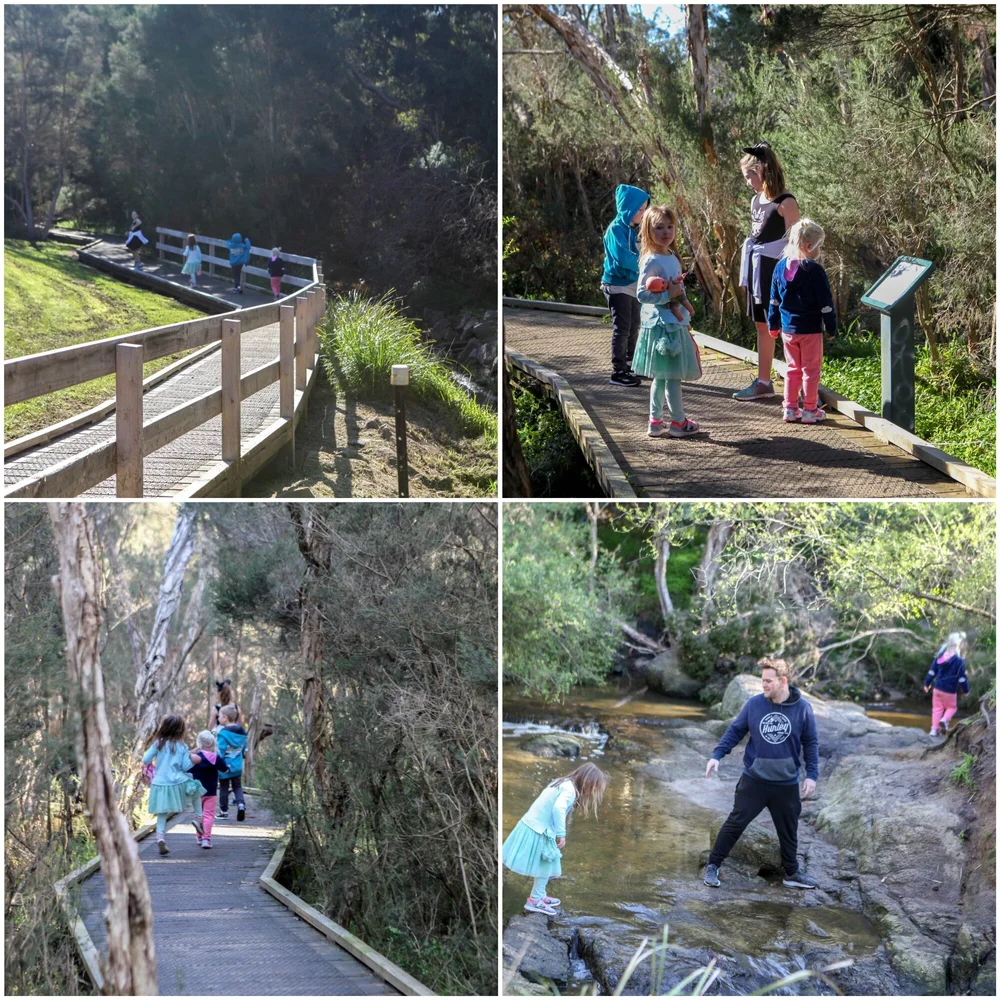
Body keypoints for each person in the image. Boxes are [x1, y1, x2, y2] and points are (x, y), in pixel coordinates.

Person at [703, 659, 818, 890]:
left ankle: (792, 873)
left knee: (789, 831)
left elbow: (811, 742)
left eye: (768, 681)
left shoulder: (803, 709)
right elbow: (735, 731)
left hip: (786, 784)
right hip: (755, 780)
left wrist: (811, 775)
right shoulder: (755, 704)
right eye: (762, 680)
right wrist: (717, 755)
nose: (763, 685)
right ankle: (713, 865)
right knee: (735, 823)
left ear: (782, 681)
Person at [734, 142, 799, 401]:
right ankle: (764, 381)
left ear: (762, 170)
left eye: (750, 175)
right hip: (757, 271)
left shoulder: (786, 202)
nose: (748, 181)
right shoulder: (755, 200)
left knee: (786, 328)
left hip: (778, 274)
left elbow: (796, 245)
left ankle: (802, 385)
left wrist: (793, 280)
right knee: (763, 326)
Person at [632, 205, 703, 439]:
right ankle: (678, 422)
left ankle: (655, 421)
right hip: (662, 325)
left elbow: (676, 286)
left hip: (675, 321)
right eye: (659, 227)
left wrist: (679, 297)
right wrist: (667, 296)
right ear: (648, 231)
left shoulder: (671, 256)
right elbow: (642, 295)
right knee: (670, 376)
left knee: (662, 377)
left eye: (669, 227)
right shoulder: (651, 259)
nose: (665, 232)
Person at [502, 762, 608, 916]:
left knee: (545, 866)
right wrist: (561, 834)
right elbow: (558, 808)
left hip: (534, 825)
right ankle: (535, 901)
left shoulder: (562, 782)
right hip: (539, 830)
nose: (592, 793)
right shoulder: (570, 790)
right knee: (546, 866)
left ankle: (540, 895)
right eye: (593, 788)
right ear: (587, 782)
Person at [767, 219, 838, 424]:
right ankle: (809, 410)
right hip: (811, 330)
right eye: (819, 246)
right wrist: (831, 326)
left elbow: (773, 299)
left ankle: (789, 408)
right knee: (811, 370)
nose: (820, 250)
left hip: (788, 330)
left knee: (792, 369)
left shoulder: (780, 267)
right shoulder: (814, 270)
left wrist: (773, 324)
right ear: (809, 246)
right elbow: (826, 303)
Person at [601, 184, 650, 387]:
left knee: (634, 326)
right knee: (622, 328)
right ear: (628, 208)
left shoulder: (635, 230)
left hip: (633, 286)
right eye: (639, 209)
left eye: (645, 208)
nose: (643, 213)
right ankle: (618, 370)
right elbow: (623, 258)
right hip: (617, 285)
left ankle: (631, 363)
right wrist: (645, 265)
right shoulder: (615, 230)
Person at [141, 714, 203, 855]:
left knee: (162, 813)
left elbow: (145, 759)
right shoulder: (181, 746)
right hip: (178, 781)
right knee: (197, 792)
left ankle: (160, 838)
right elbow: (186, 766)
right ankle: (199, 819)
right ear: (180, 730)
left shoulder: (159, 743)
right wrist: (193, 758)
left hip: (160, 783)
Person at [188, 731, 230, 849]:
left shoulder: (196, 758)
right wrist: (228, 768)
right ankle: (206, 839)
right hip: (211, 792)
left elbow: (188, 771)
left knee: (199, 814)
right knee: (209, 815)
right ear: (213, 743)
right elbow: (225, 769)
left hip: (197, 791)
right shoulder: (216, 758)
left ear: (199, 743)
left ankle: (199, 836)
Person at [924, 632, 970, 736]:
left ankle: (934, 730)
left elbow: (932, 671)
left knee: (937, 709)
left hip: (938, 688)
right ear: (959, 645)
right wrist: (966, 690)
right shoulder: (959, 661)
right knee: (952, 708)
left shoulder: (939, 656)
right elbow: (962, 678)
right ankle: (945, 720)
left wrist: (927, 683)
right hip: (950, 690)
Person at [216, 705, 248, 821]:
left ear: (225, 717)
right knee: (237, 786)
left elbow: (220, 751)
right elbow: (245, 747)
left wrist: (217, 762)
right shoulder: (242, 731)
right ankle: (241, 804)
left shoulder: (222, 734)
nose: (218, 718)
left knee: (224, 787)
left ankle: (224, 811)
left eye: (219, 716)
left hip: (225, 767)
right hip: (238, 765)